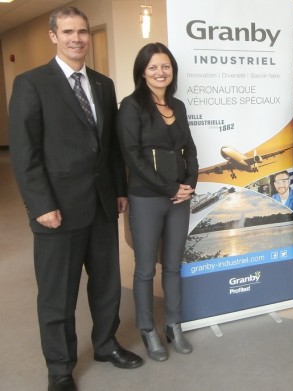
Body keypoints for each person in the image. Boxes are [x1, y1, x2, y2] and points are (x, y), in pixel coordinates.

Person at [8, 7, 143, 390]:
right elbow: (24, 152)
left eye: (82, 31)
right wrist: (40, 205)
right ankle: (60, 368)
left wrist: (118, 189)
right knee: (57, 296)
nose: (77, 39)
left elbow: (111, 148)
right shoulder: (31, 83)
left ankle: (105, 344)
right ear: (54, 36)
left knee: (107, 285)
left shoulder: (102, 84)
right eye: (68, 31)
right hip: (57, 211)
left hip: (101, 205)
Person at [118, 42, 198, 362]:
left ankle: (174, 324)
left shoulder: (178, 106)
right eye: (153, 67)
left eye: (165, 66)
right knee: (145, 268)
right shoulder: (131, 105)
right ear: (142, 71)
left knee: (175, 265)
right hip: (147, 196)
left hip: (180, 197)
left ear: (172, 71)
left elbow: (189, 149)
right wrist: (169, 188)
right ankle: (148, 329)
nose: (160, 72)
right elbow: (133, 157)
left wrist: (189, 184)